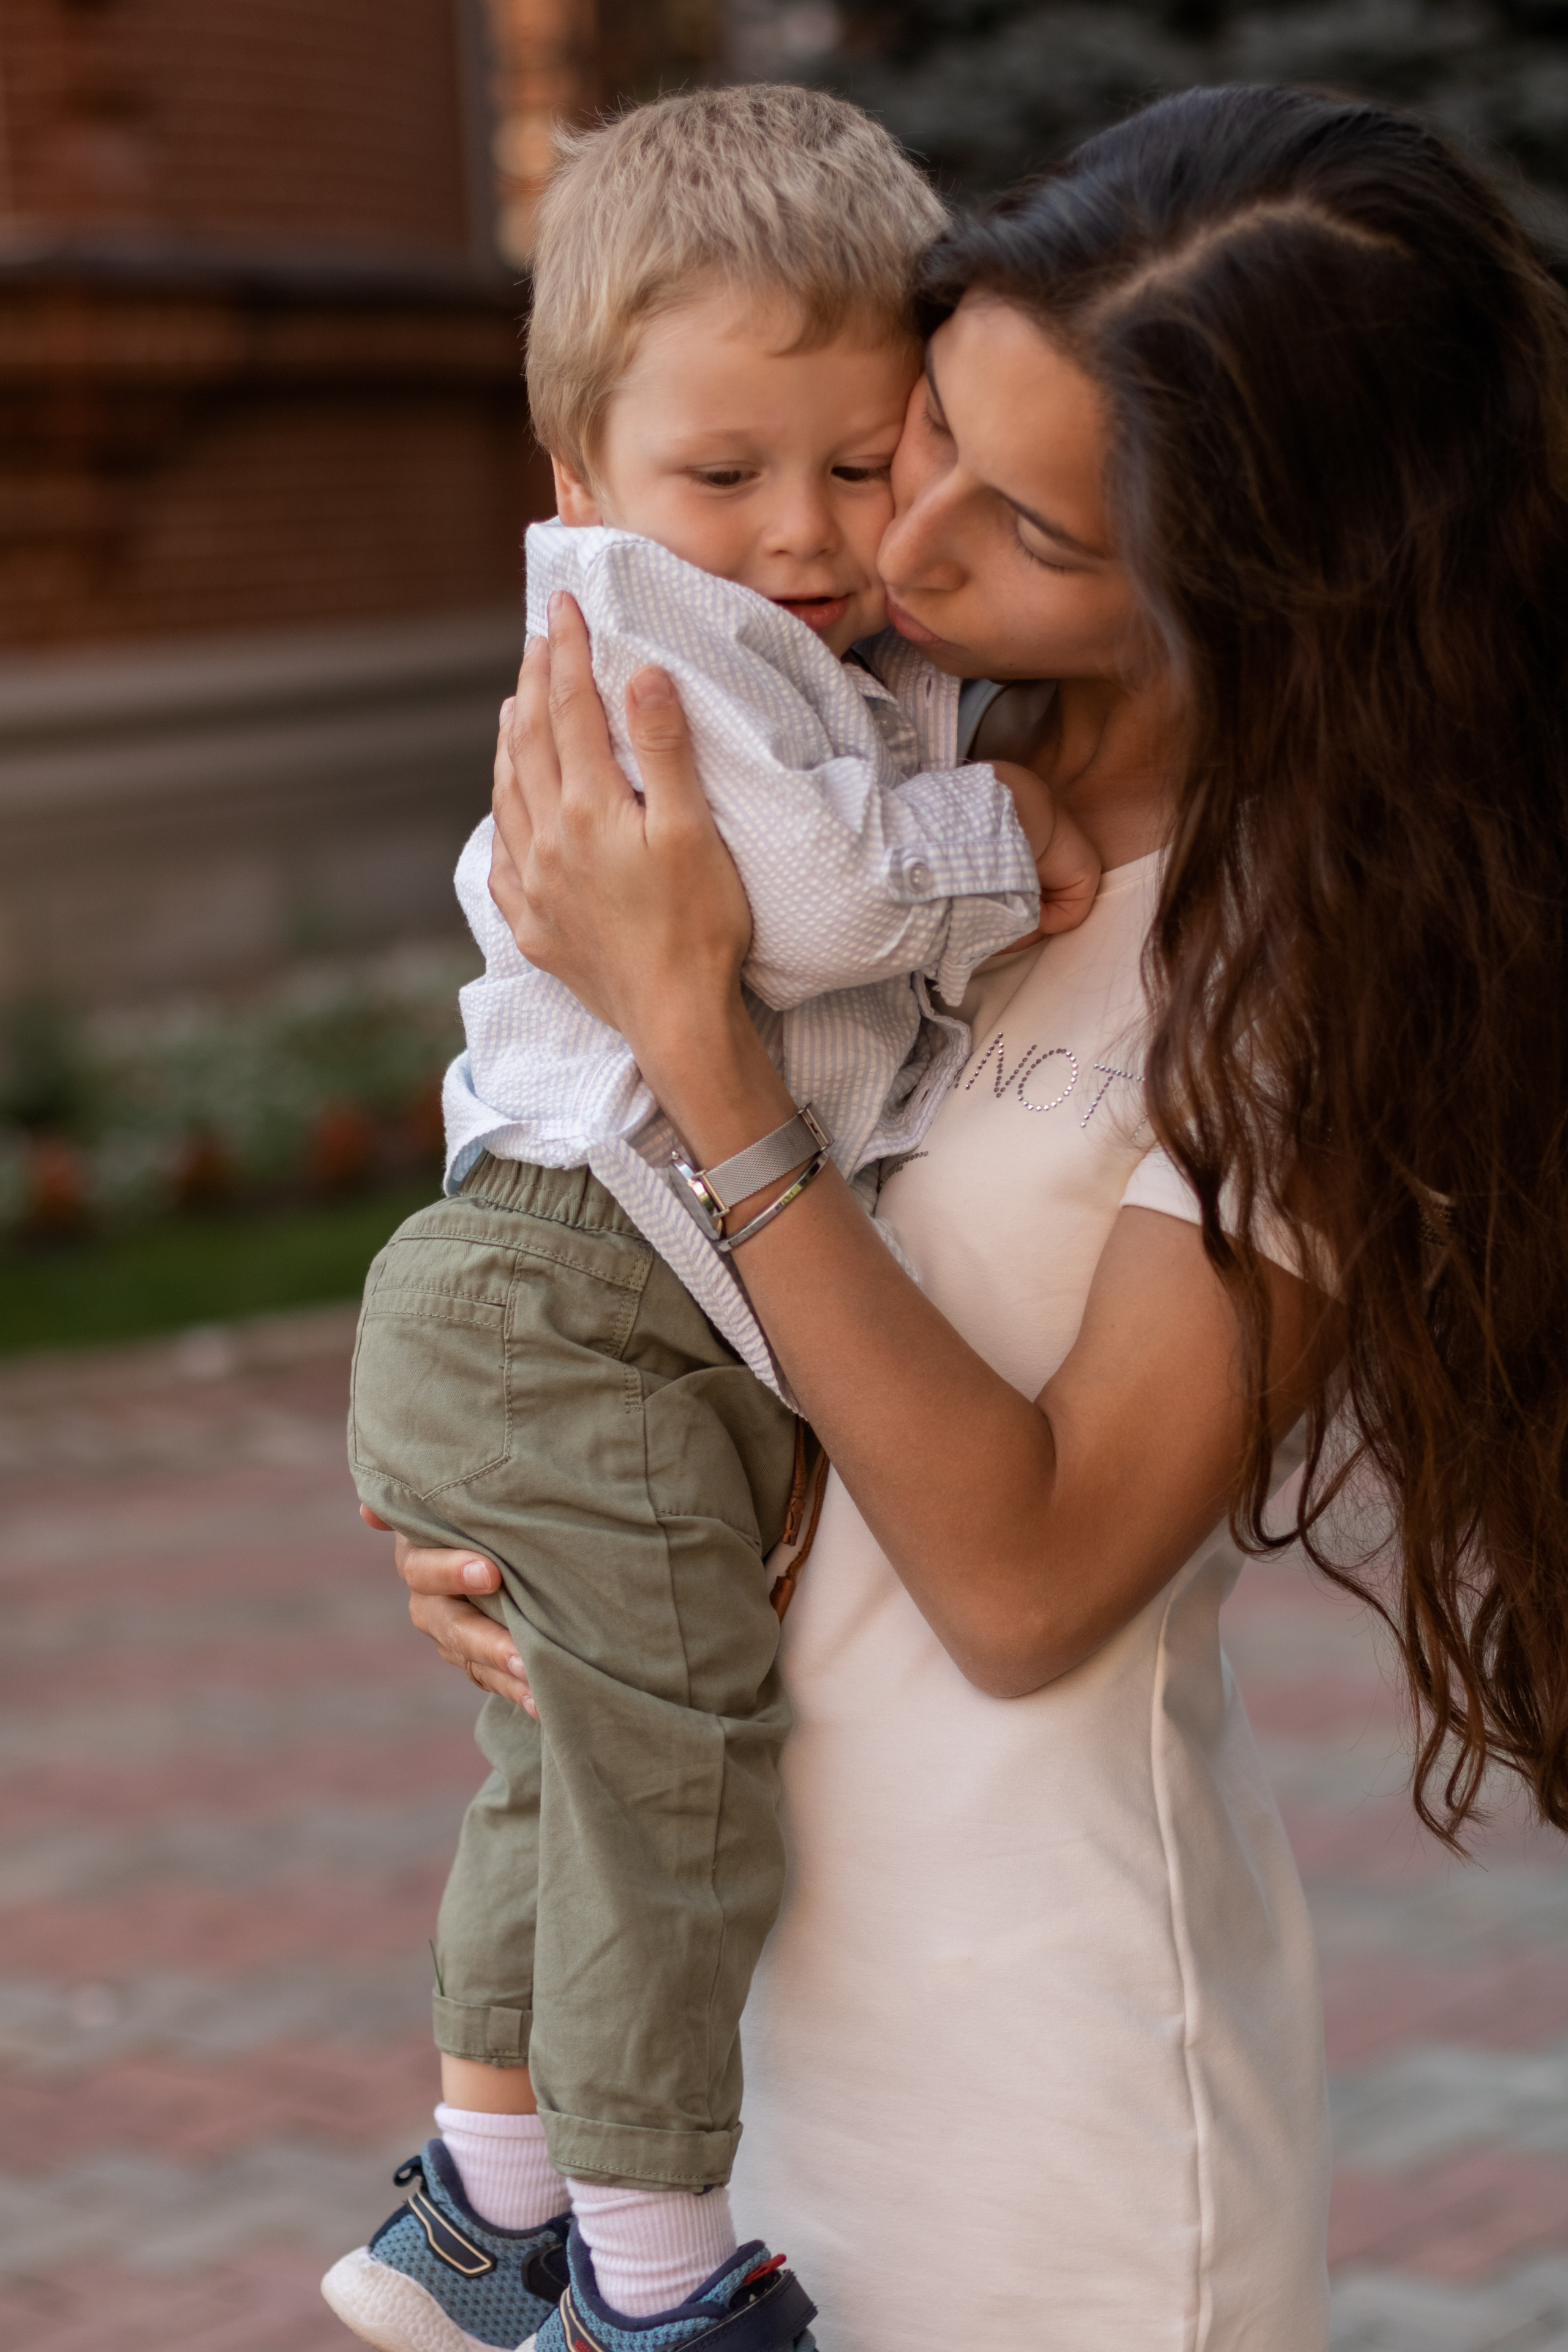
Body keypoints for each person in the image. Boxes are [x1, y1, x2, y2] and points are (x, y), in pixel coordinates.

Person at [389, 81, 1568, 2351]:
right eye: (928, 422)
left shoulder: (1309, 965)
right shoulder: (879, 766)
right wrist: (516, 1491)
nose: (900, 544)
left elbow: (1027, 1584)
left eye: (1021, 519)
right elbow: (584, 1157)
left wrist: (717, 1068)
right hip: (719, 2029)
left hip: (1040, 2089)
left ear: (1258, 577)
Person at [325, 85, 1099, 2352]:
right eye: (723, 474)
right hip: (577, 1275)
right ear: (579, 483)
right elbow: (825, 891)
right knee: (666, 1770)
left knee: (567, 1758)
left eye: (859, 468)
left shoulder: (793, 645)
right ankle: (653, 2286)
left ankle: (476, 2206)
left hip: (548, 1276)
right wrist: (1001, 830)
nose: (800, 536)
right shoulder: (670, 658)